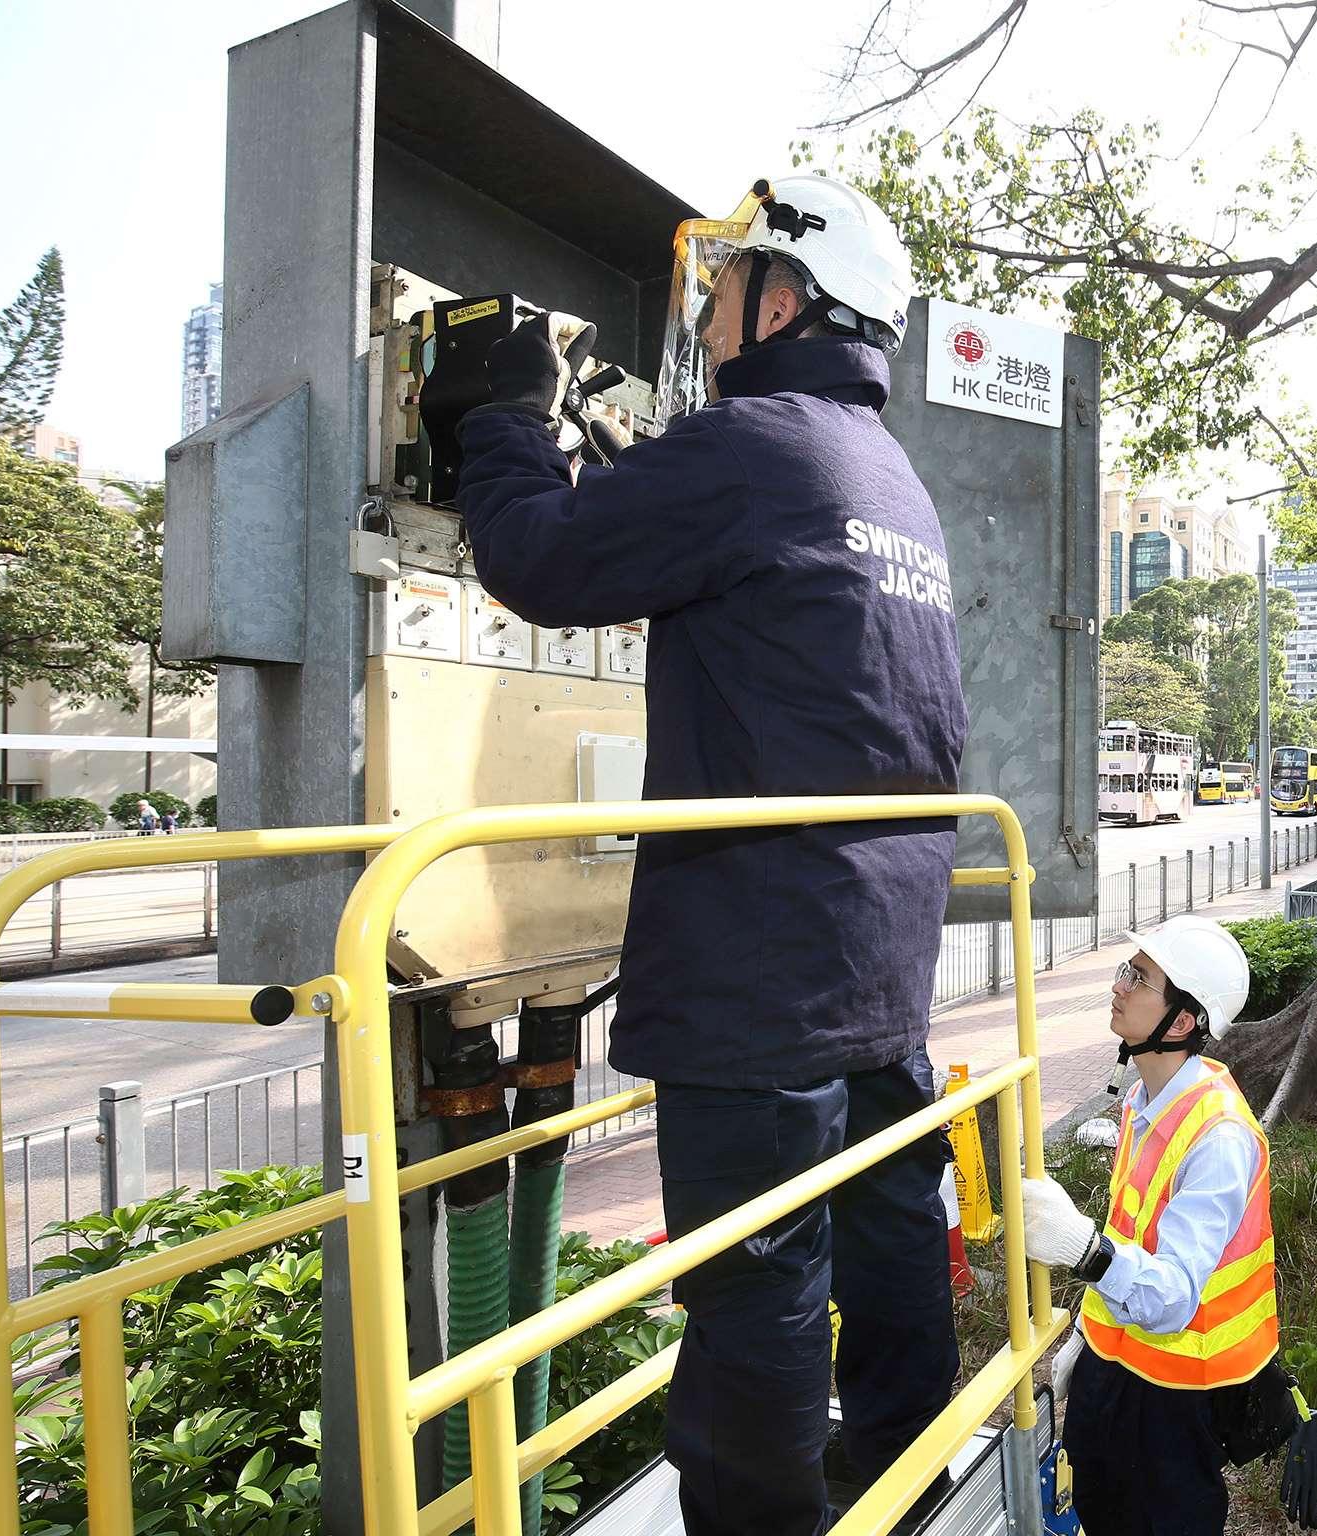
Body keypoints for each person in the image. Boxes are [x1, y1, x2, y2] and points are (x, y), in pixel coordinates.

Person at [455, 174, 967, 1536]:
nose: (713, 310)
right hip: (875, 959)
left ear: (785, 300)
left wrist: (505, 420)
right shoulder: (886, 477)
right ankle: (911, 1479)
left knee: (754, 1290)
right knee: (888, 1225)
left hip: (757, 975)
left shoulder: (750, 442)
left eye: (730, 283)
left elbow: (546, 565)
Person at [1021, 918, 1317, 1536]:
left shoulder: (1218, 1138)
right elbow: (1132, 1237)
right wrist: (1086, 1336)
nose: (1118, 984)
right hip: (1116, 1366)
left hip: (1173, 1396)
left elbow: (1173, 1298)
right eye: (1124, 969)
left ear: (1182, 1021)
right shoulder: (1144, 1102)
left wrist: (1081, 1248)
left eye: (1138, 977)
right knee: (1097, 1512)